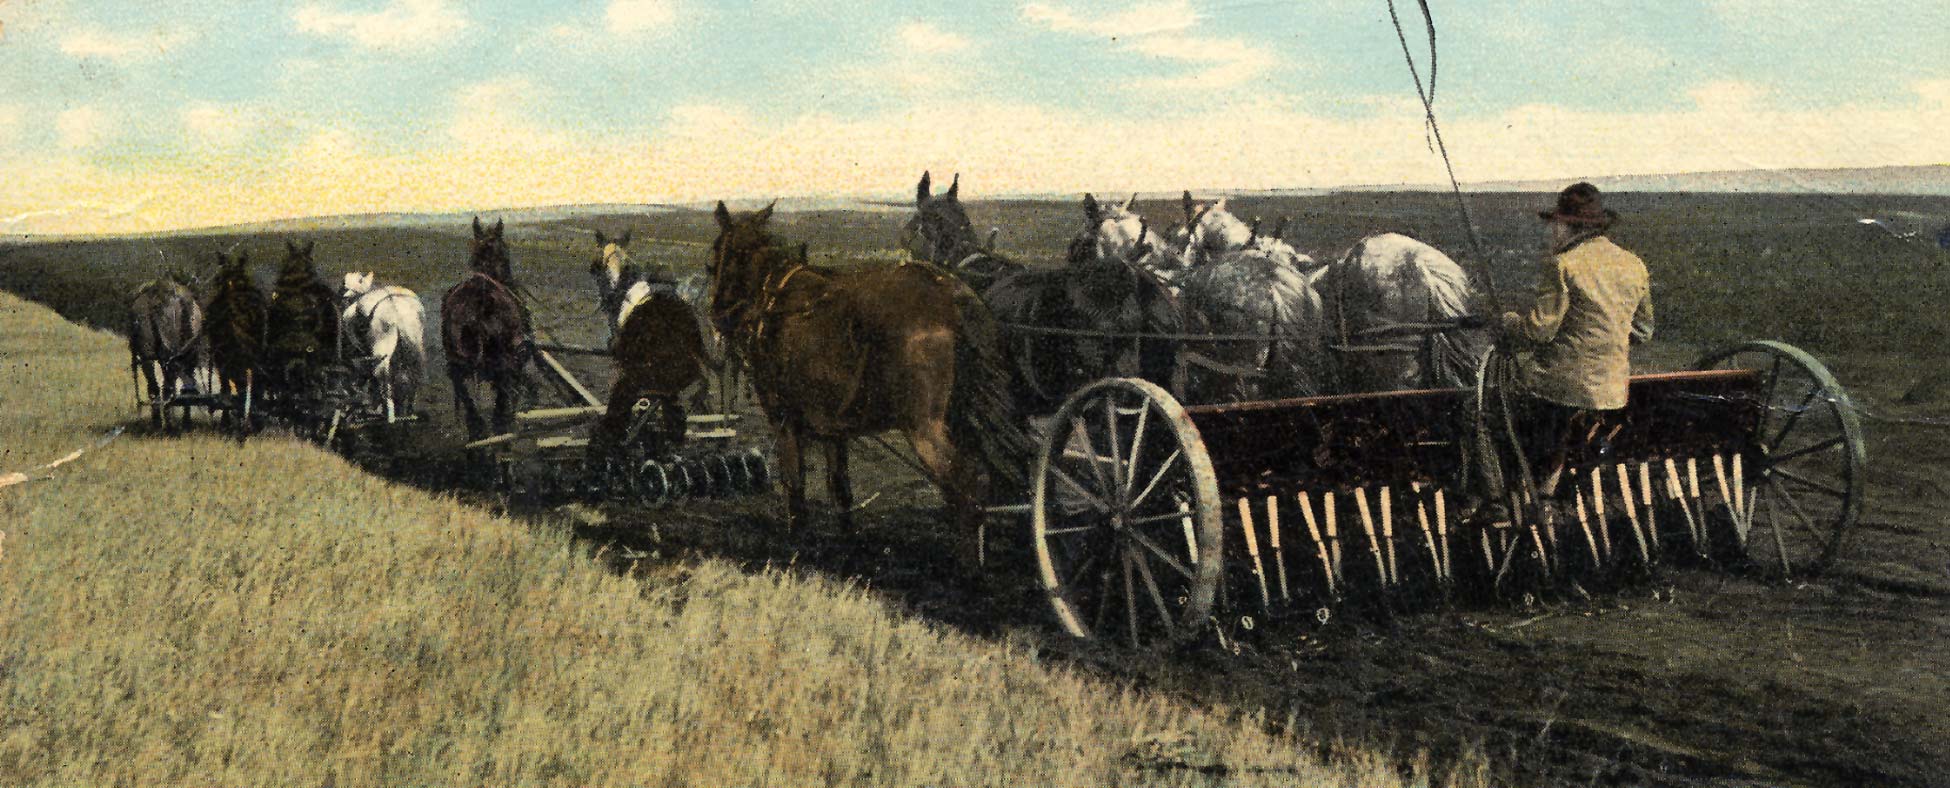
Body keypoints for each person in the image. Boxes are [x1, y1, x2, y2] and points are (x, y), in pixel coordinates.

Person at [1470, 183, 1655, 522]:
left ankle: (1496, 500)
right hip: (1613, 391)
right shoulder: (1634, 264)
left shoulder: (1563, 265)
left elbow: (1538, 331)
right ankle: (1545, 495)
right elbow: (1643, 331)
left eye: (1554, 223)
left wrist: (1509, 322)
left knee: (1482, 409)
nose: (1551, 231)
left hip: (1559, 386)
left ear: (1569, 226)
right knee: (1561, 421)